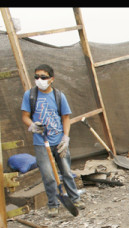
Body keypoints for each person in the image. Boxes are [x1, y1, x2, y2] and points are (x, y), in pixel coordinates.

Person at [21, 64, 84, 218]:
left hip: (59, 141)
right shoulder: (30, 95)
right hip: (41, 143)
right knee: (48, 175)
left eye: (43, 77)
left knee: (67, 172)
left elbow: (65, 118)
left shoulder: (58, 96)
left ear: (51, 79)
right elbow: (25, 116)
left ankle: (74, 199)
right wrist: (33, 126)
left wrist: (66, 138)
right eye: (36, 77)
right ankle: (52, 204)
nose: (39, 80)